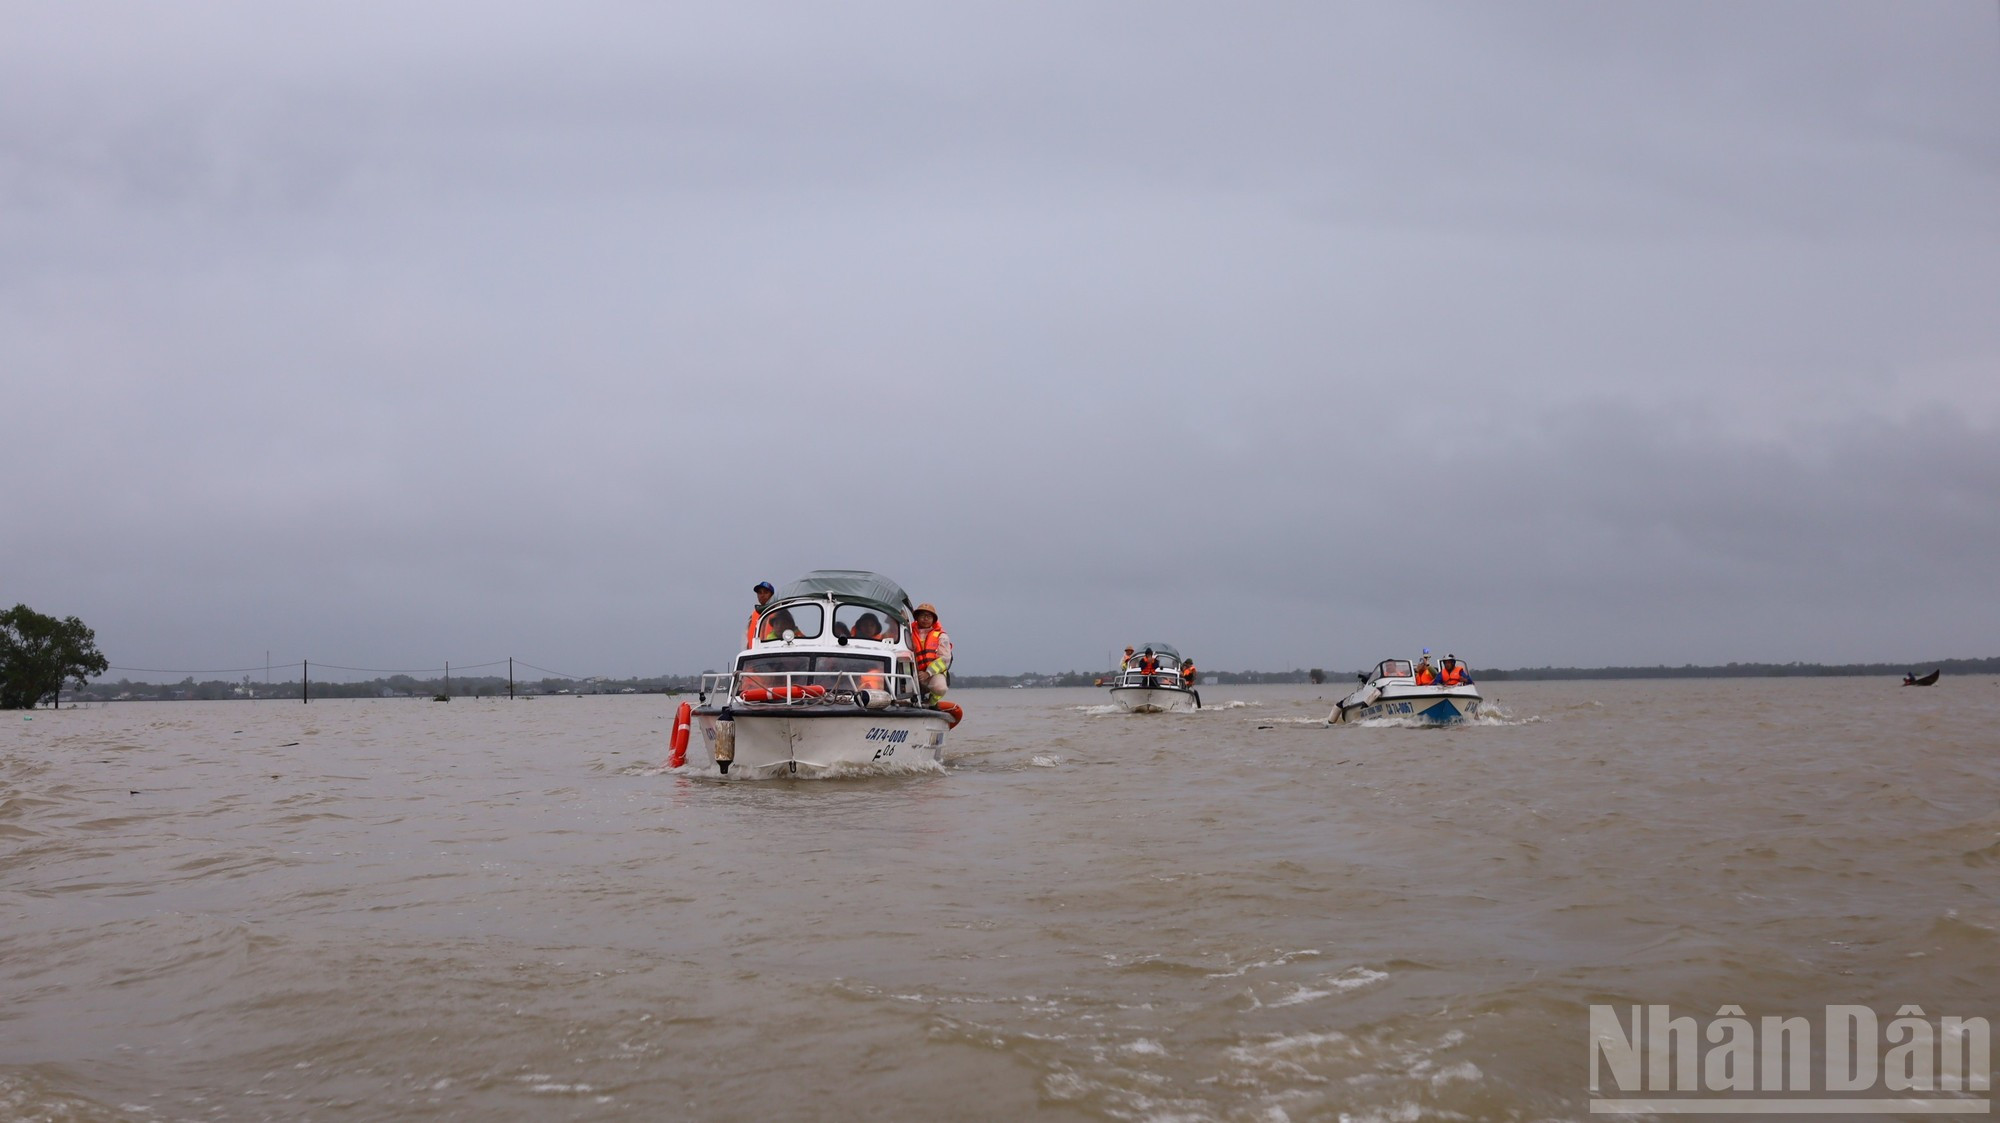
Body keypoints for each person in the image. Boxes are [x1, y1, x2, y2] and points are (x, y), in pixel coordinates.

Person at [910, 603, 962, 726]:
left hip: (933, 673)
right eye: (922, 615)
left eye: (929, 616)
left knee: (940, 688)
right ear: (916, 618)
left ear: (934, 619)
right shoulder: (907, 632)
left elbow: (944, 659)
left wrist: (928, 673)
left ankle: (932, 703)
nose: (926, 618)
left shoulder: (941, 636)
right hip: (912, 673)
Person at [745, 580, 775, 647]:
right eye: (759, 593)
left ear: (772, 595)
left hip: (771, 653)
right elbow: (748, 637)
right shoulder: (753, 614)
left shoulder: (779, 612)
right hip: (754, 654)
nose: (762, 595)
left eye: (766, 592)